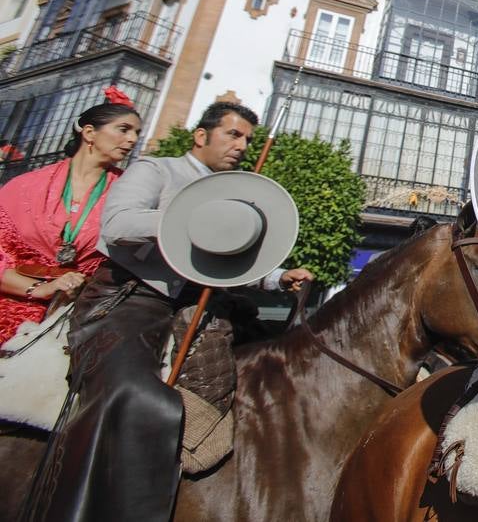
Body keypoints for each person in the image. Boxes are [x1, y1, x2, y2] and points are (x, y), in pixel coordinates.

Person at [31, 101, 313, 522]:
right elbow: (119, 226)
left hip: (199, 305)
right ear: (201, 136)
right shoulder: (156, 170)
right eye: (233, 135)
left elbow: (229, 265)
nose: (241, 146)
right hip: (131, 298)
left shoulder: (235, 192)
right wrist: (194, 218)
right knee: (133, 396)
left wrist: (276, 278)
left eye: (248, 140)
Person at [0, 88, 141, 343]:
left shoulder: (129, 193)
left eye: (137, 133)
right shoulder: (23, 186)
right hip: (10, 301)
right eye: (124, 129)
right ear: (89, 133)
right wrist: (40, 289)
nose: (132, 139)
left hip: (77, 312)